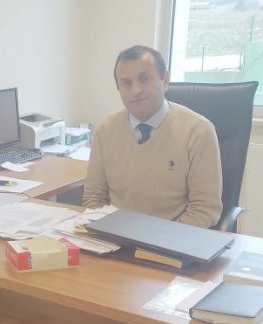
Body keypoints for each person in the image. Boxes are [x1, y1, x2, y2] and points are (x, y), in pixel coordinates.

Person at [82, 45, 223, 228]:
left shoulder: (199, 131)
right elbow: (93, 198)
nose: (136, 90)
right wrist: (106, 232)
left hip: (172, 239)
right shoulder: (105, 130)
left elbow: (204, 210)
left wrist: (159, 239)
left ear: (165, 80)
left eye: (144, 79)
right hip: (114, 237)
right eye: (126, 83)